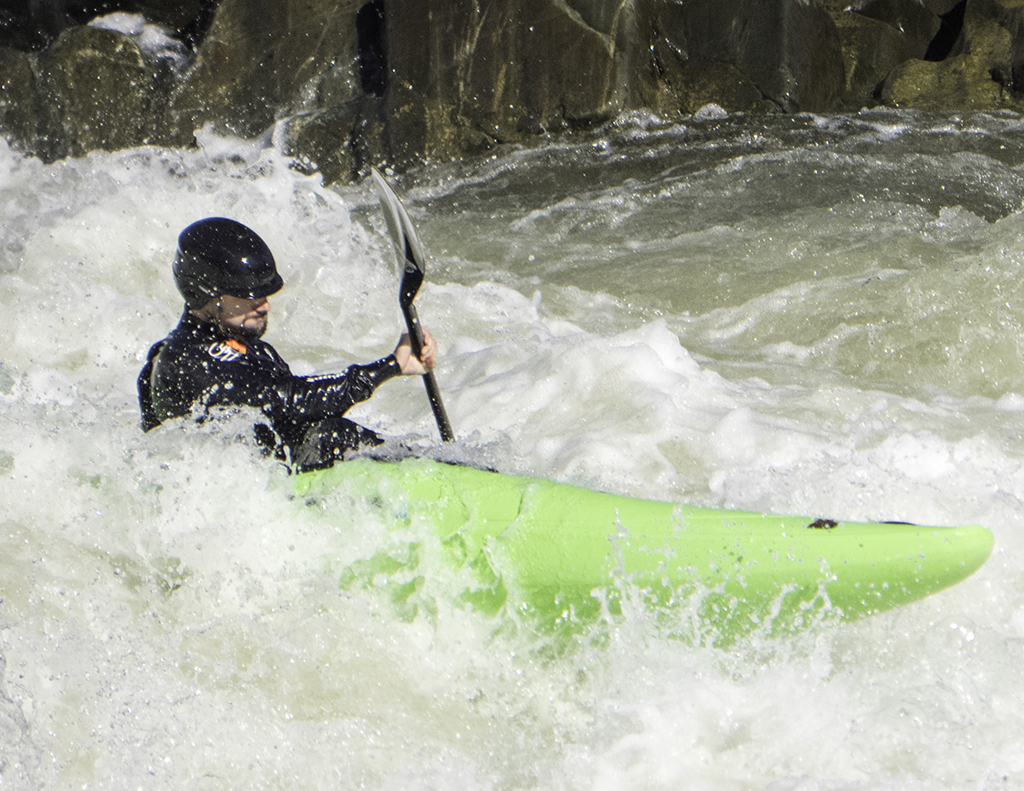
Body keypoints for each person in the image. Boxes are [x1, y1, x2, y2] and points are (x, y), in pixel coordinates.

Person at [138, 217, 437, 471]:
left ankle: (423, 465)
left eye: (265, 295)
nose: (265, 306)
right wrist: (390, 365)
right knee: (333, 437)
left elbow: (299, 416)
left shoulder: (245, 347)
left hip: (273, 483)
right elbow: (291, 400)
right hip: (240, 511)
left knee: (329, 434)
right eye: (250, 295)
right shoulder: (187, 361)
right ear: (208, 294)